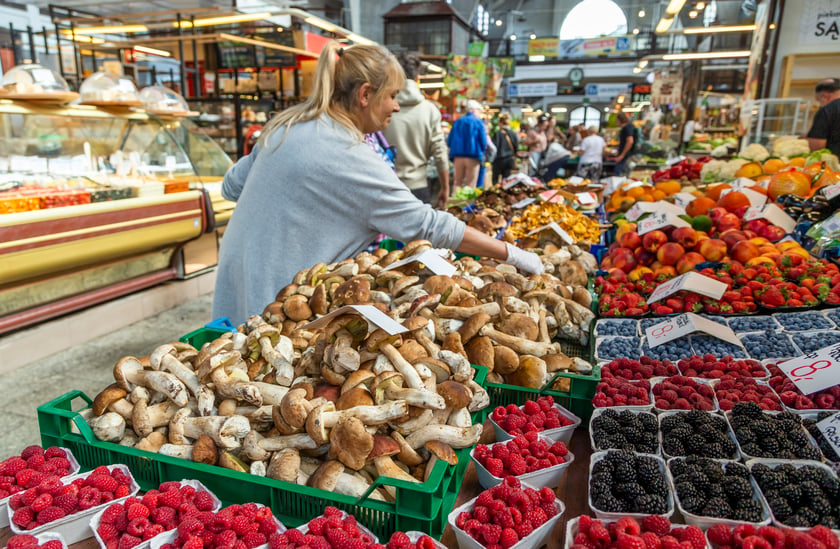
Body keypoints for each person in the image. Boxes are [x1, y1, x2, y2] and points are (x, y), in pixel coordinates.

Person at [212, 43, 543, 324]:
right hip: (277, 299)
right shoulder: (348, 154)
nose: (397, 107)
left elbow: (230, 186)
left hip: (236, 277)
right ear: (365, 94)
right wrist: (512, 254)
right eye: (393, 96)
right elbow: (428, 225)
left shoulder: (286, 126)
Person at [382, 51, 450, 207]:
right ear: (418, 79)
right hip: (418, 188)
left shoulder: (382, 107)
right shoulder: (430, 110)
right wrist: (445, 188)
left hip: (386, 187)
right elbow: (440, 154)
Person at [447, 100, 487, 188]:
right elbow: (483, 142)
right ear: (474, 110)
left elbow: (449, 141)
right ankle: (468, 202)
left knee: (457, 183)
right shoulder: (479, 122)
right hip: (473, 157)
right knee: (471, 184)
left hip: (457, 157)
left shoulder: (457, 122)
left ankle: (456, 201)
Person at [806, 78, 840, 156]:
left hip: (833, 163)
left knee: (822, 167)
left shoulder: (827, 110)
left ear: (824, 97)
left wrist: (802, 140)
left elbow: (817, 146)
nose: (819, 104)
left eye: (818, 100)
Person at [491, 112, 519, 185]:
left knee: (495, 180)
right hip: (509, 160)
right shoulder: (513, 133)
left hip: (498, 160)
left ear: (500, 123)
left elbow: (494, 147)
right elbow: (516, 148)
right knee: (506, 181)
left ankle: (495, 195)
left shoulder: (497, 134)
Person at [613, 112, 636, 176]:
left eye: (617, 120)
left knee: (619, 174)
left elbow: (630, 141)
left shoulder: (627, 128)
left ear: (620, 120)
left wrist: (622, 155)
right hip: (625, 155)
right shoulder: (628, 127)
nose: (616, 122)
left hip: (625, 156)